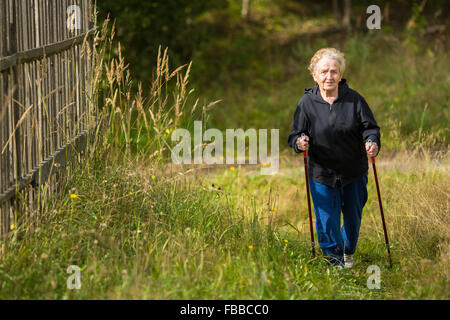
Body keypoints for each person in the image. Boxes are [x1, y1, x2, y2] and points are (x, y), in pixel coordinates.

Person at [288, 48, 381, 268]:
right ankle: (334, 260)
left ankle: (348, 250)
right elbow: (295, 134)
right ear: (314, 75)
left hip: (353, 171)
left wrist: (372, 141)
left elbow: (370, 128)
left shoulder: (354, 100)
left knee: (352, 217)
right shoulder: (306, 103)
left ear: (340, 74)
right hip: (321, 172)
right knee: (326, 218)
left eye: (334, 71)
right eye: (324, 72)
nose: (329, 76)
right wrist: (299, 142)